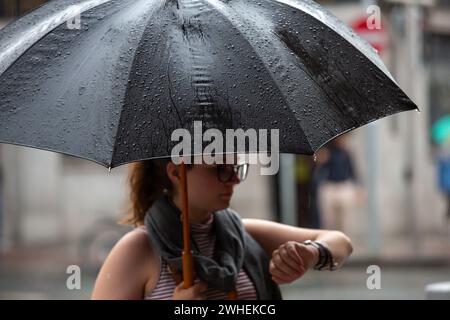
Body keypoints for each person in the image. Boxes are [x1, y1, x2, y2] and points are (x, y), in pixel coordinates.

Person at [92, 157, 353, 300]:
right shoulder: (138, 250)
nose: (235, 179)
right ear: (177, 173)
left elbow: (340, 242)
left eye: (236, 168)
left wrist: (311, 253)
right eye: (220, 170)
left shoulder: (244, 234)